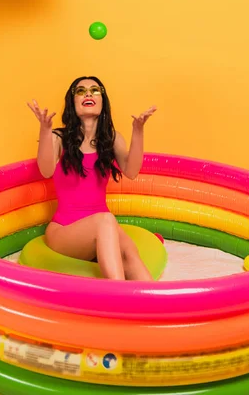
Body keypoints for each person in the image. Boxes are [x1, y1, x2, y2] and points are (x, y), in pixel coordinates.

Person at [27, 76, 157, 280]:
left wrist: (138, 131)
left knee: (130, 254)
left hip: (103, 227)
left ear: (103, 101)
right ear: (72, 102)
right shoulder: (58, 138)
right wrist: (44, 130)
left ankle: (157, 307)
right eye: (81, 91)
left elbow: (131, 172)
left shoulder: (112, 139)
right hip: (64, 230)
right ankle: (118, 298)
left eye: (95, 90)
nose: (88, 93)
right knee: (106, 221)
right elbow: (45, 170)